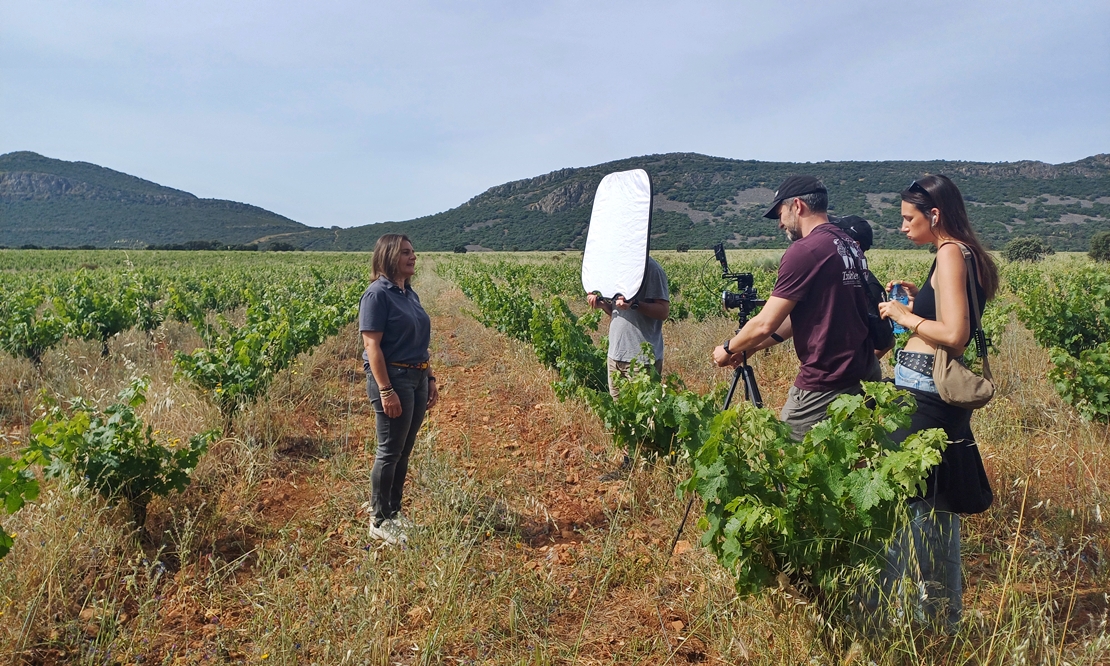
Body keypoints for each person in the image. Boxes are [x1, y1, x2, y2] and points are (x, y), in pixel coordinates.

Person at [875, 174, 999, 631]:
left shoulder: (949, 254)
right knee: (938, 510)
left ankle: (898, 621)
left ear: (934, 215)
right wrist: (921, 300)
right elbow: (950, 316)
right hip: (937, 397)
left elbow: (955, 335)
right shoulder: (964, 253)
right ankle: (942, 619)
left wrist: (906, 316)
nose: (903, 227)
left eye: (909, 218)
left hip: (925, 395)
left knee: (909, 509)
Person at [712, 176, 881, 441]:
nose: (780, 223)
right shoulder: (848, 244)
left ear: (798, 206)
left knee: (791, 455)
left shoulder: (804, 251)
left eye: (780, 213)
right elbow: (805, 316)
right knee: (848, 460)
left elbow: (764, 322)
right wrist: (752, 346)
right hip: (862, 370)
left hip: (826, 377)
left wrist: (728, 348)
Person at [360, 234, 439, 545]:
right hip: (394, 380)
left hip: (417, 377)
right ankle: (378, 519)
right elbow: (371, 345)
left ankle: (393, 511)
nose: (413, 257)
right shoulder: (377, 295)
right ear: (390, 255)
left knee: (404, 450)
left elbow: (420, 342)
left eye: (414, 252)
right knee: (389, 451)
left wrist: (429, 377)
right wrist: (385, 390)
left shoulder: (410, 295)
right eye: (406, 252)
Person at [586, 256, 670, 479]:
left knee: (643, 415)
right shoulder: (619, 268)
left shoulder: (651, 269)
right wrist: (602, 304)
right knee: (621, 414)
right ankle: (628, 465)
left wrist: (635, 304)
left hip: (641, 359)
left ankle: (647, 469)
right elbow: (616, 311)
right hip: (616, 354)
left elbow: (663, 311)